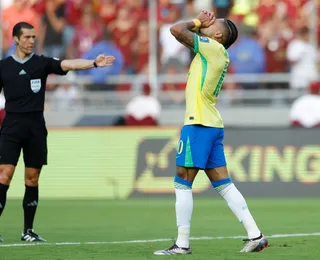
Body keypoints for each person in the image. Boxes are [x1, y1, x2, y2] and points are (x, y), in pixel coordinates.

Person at [153, 10, 268, 255]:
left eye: (211, 23)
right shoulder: (215, 51)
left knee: (182, 181)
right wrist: (201, 24)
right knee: (224, 184)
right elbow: (184, 36)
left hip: (199, 124)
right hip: (211, 123)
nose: (206, 23)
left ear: (217, 35)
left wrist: (196, 21)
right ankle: (255, 235)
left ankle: (182, 244)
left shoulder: (212, 48)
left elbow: (175, 30)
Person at [0, 22, 115, 243]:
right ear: (15, 39)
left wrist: (93, 63)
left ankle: (28, 231)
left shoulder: (41, 63)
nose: (31, 41)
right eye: (26, 37)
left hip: (35, 127)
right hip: (11, 126)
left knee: (32, 179)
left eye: (34, 37)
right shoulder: (3, 67)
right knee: (4, 175)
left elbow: (68, 64)